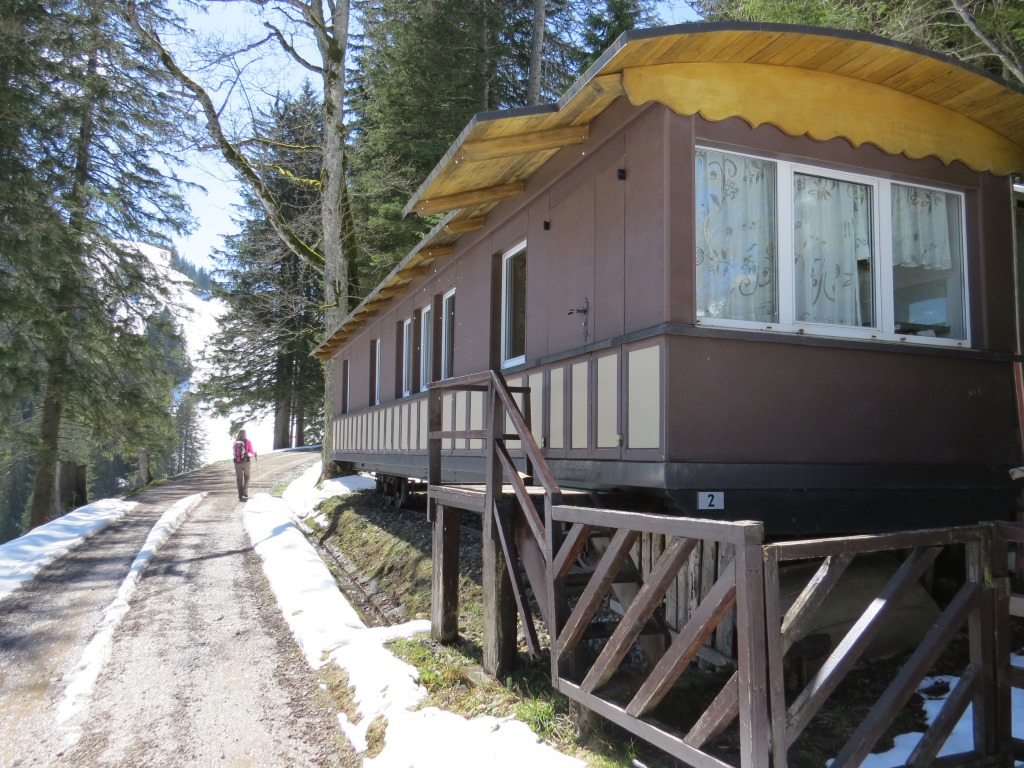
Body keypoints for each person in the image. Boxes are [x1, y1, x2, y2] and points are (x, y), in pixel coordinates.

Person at [232, 429, 256, 501]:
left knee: (239, 479)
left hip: (237, 462)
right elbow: (251, 451)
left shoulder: (235, 442)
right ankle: (244, 491)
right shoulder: (247, 441)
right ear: (245, 434)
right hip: (246, 462)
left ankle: (240, 494)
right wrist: (255, 454)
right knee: (247, 477)